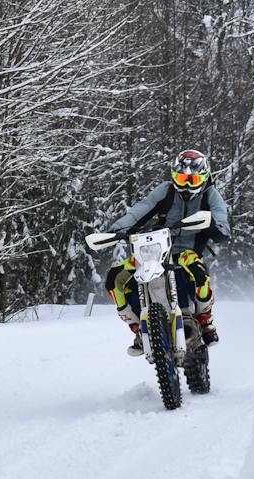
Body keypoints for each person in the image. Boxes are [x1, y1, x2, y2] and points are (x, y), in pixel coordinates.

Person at [86, 149, 231, 356]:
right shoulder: (166, 191)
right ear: (174, 176)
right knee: (114, 279)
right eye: (182, 178)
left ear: (204, 177)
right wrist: (116, 231)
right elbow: (141, 210)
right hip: (154, 251)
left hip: (186, 252)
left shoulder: (210, 196)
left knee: (200, 274)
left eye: (192, 179)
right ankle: (137, 328)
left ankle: (205, 321)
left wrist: (216, 227)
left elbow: (222, 223)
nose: (187, 185)